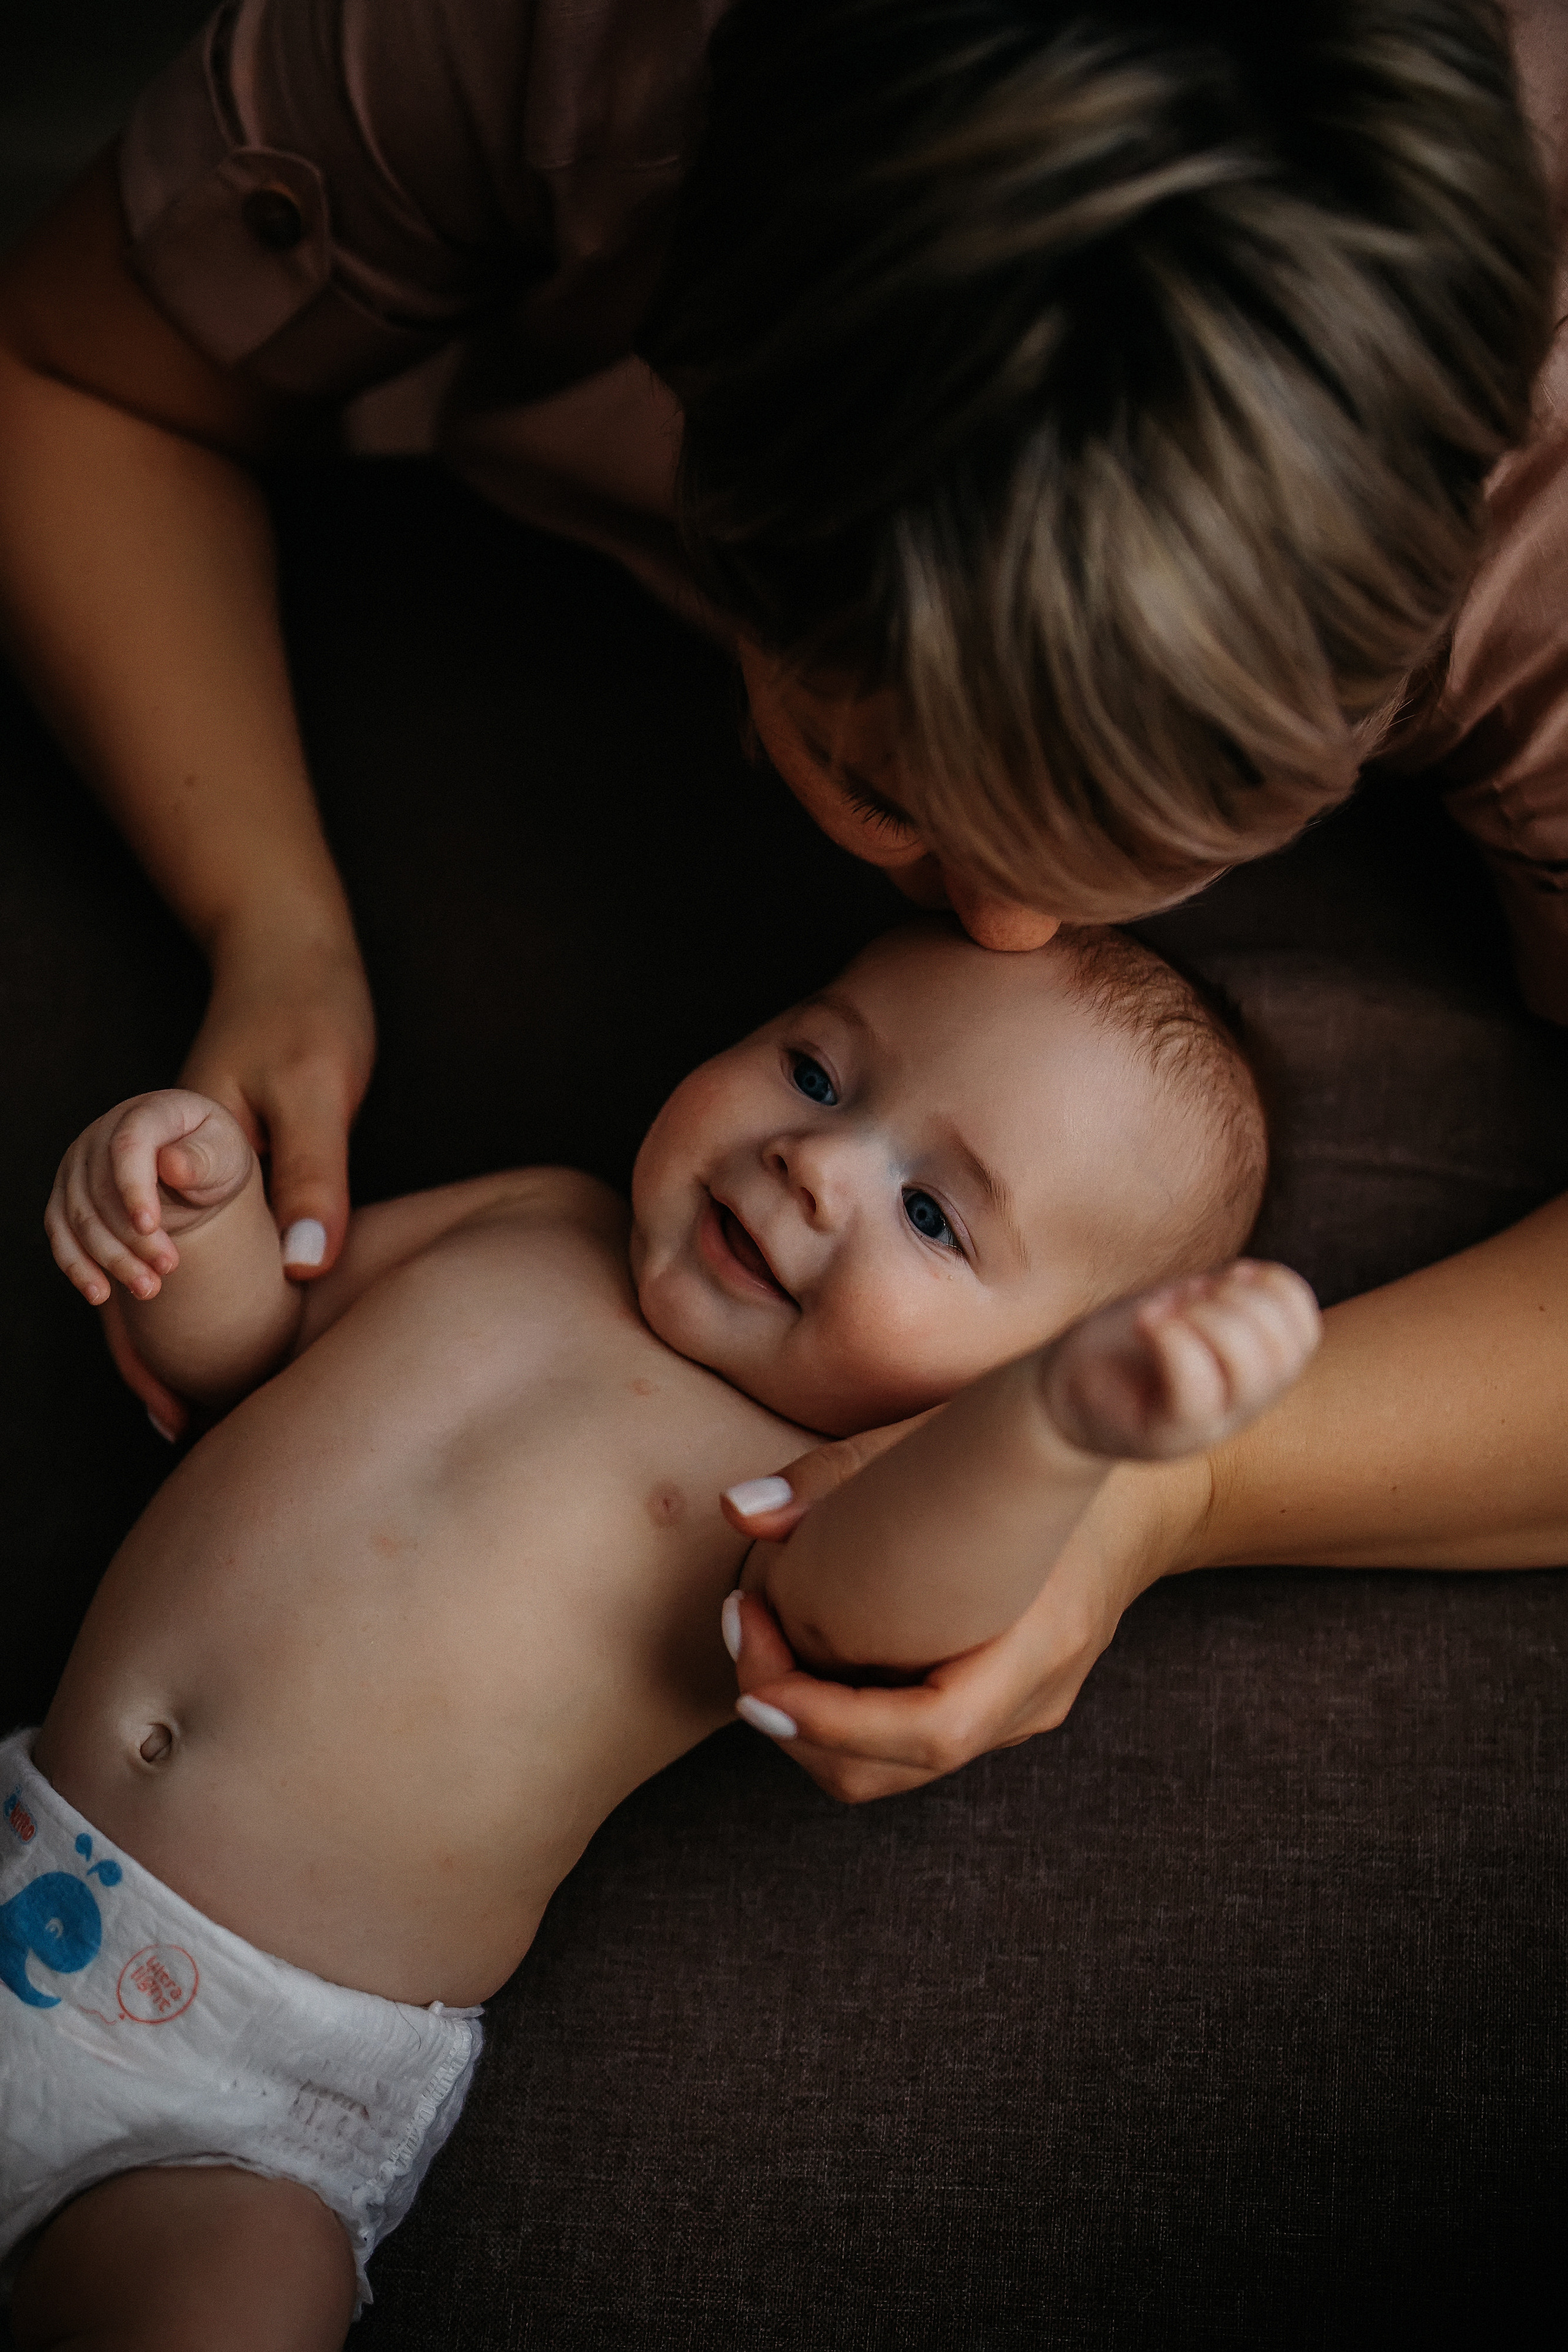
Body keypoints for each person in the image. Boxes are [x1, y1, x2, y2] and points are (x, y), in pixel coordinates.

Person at [0, 0, 1564, 1810]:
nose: (1000, 928)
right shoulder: (526, 52)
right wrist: (266, 934)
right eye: (819, 1069)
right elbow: (73, 369)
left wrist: (1152, 1476)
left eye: (1169, 834)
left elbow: (869, 1591)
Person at [5, 920, 1317, 2343]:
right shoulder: (533, 1214)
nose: (812, 1162)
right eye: (815, 1071)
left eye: (932, 1216)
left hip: (228, 2119)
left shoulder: (807, 1501)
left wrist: (1051, 1440)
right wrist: (188, 1209)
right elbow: (244, 1353)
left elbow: (885, 1604)